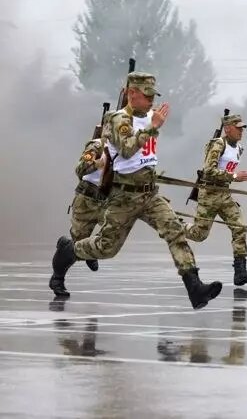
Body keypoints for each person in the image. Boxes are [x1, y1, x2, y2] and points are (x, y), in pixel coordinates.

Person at [50, 71, 222, 309]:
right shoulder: (118, 119)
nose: (152, 100)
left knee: (175, 232)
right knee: (106, 248)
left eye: (153, 95)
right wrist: (152, 128)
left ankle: (195, 287)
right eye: (146, 95)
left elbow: (143, 155)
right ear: (132, 94)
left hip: (149, 194)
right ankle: (69, 251)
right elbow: (128, 149)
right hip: (123, 197)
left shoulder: (151, 116)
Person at [184, 114, 247, 286]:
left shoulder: (239, 148)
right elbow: (208, 170)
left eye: (242, 128)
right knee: (199, 234)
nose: (241, 131)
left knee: (240, 227)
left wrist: (235, 177)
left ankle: (240, 272)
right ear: (227, 128)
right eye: (238, 127)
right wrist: (234, 176)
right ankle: (176, 225)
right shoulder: (219, 144)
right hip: (209, 193)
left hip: (224, 194)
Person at [69, 132, 109, 272]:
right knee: (76, 245)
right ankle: (58, 277)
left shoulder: (128, 148)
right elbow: (80, 169)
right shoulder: (98, 145)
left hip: (107, 200)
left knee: (114, 233)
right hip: (87, 199)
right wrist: (98, 163)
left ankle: (91, 248)